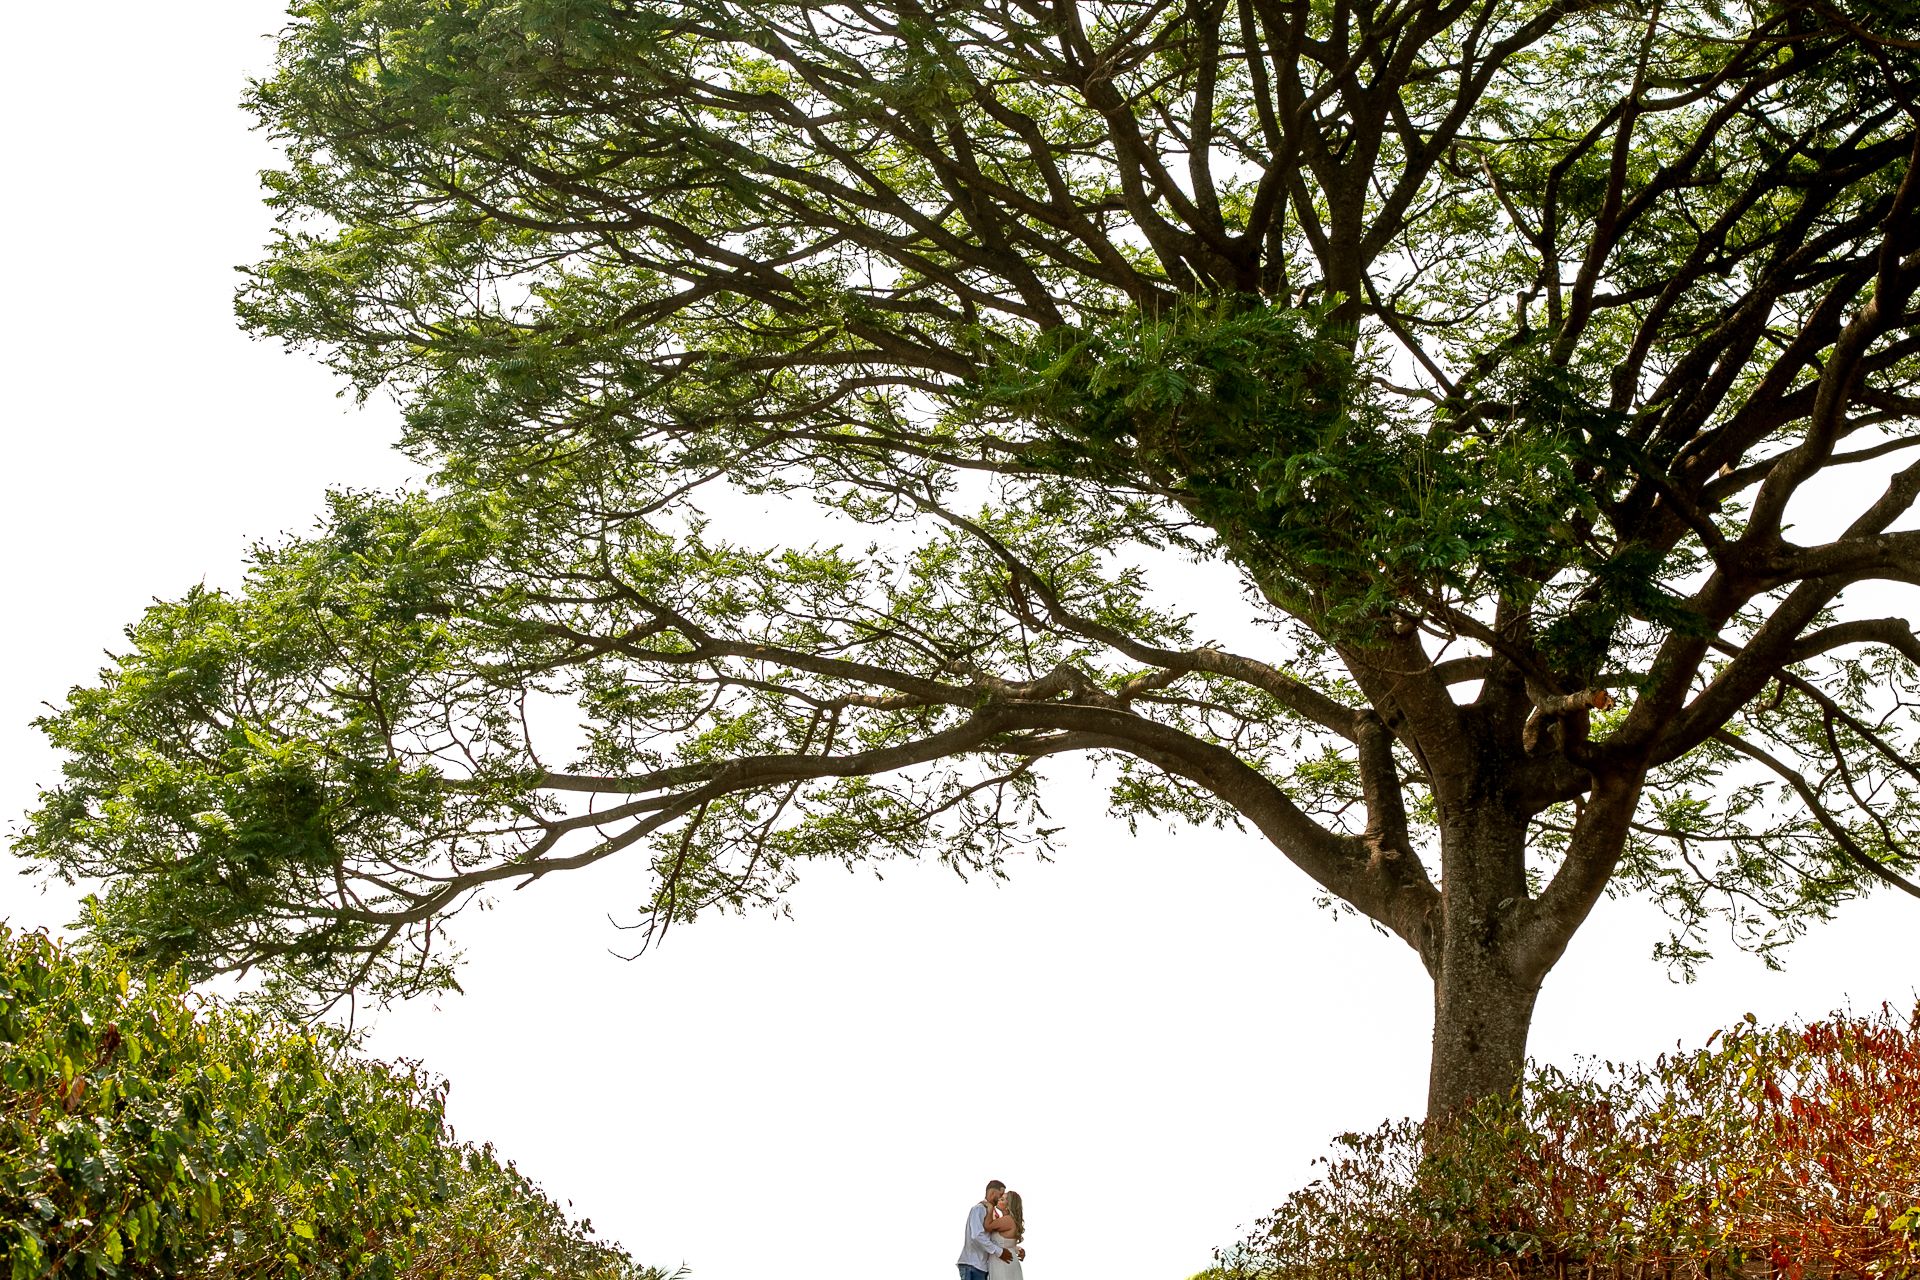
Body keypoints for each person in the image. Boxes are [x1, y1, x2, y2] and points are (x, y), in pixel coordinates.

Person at [957, 1180, 1025, 1280]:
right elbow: (977, 1235)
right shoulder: (979, 1209)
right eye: (1001, 1194)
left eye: (1004, 1197)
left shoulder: (994, 1214)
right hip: (973, 1264)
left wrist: (1014, 1248)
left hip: (985, 1266)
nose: (1001, 1197)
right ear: (993, 1193)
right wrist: (999, 1252)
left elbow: (997, 1239)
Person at [985, 1188, 1025, 1280]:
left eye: (1002, 1199)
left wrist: (990, 1207)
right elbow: (1007, 1243)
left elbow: (987, 1226)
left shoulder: (1007, 1220)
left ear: (1008, 1206)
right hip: (1003, 1261)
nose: (998, 1200)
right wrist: (1018, 1249)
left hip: (1003, 1264)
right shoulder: (1007, 1220)